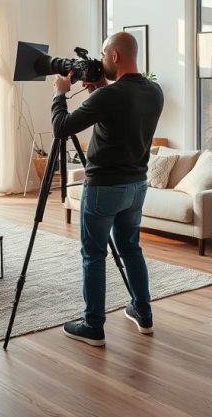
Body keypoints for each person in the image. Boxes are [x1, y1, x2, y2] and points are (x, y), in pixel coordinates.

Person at [51, 31, 164, 346]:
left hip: (103, 188)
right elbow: (120, 110)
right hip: (136, 186)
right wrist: (99, 88)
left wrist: (60, 93)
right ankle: (143, 313)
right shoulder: (154, 91)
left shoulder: (108, 96)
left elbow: (61, 128)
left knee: (94, 254)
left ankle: (93, 325)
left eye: (103, 55)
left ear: (114, 56)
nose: (100, 61)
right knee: (131, 249)